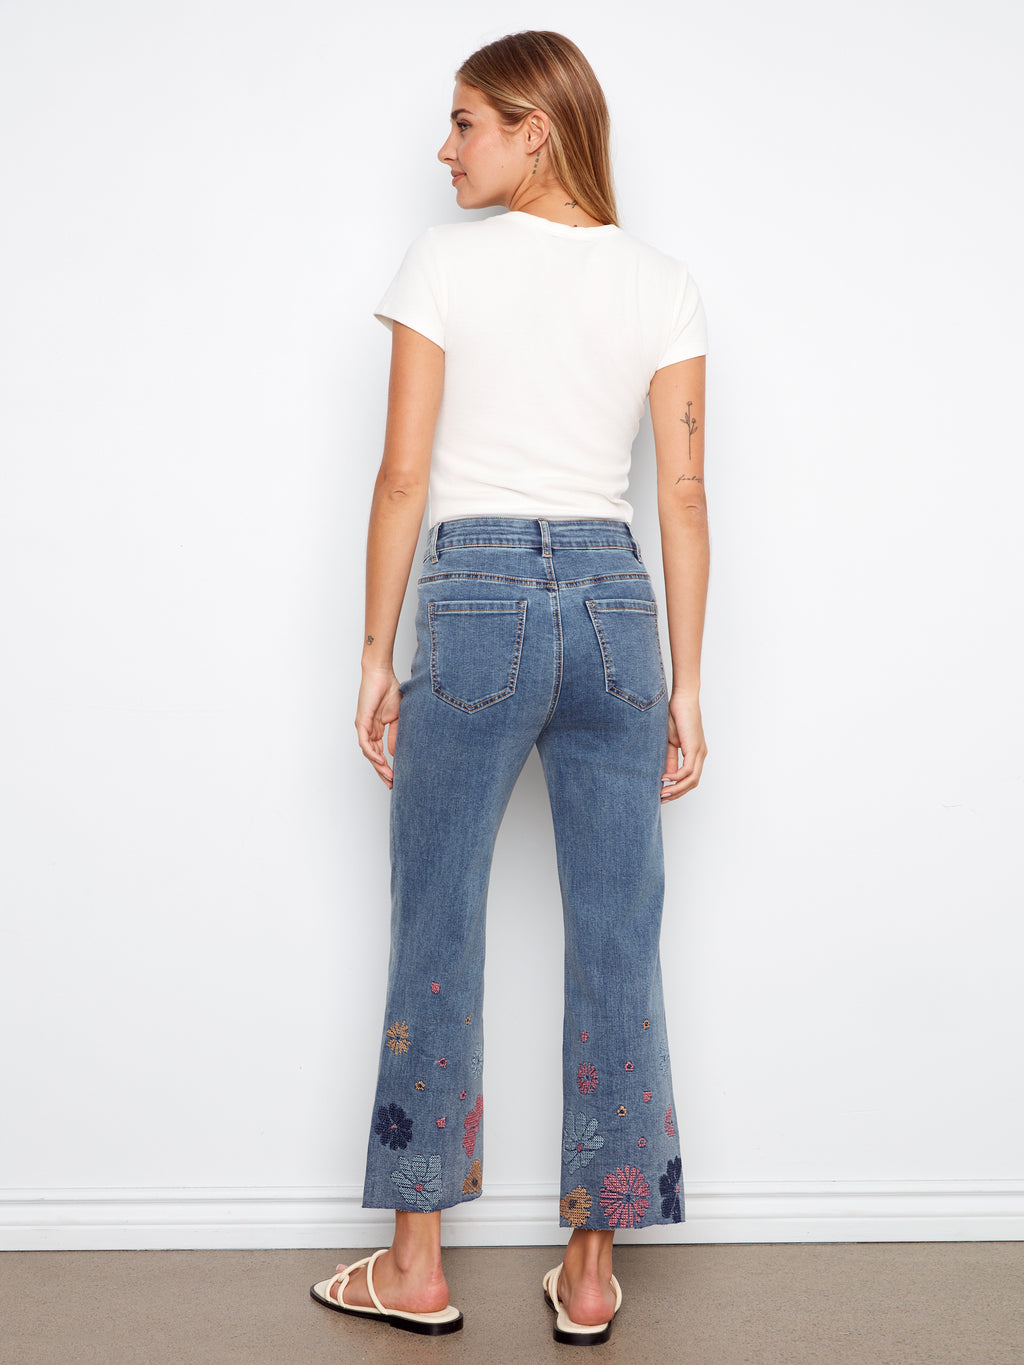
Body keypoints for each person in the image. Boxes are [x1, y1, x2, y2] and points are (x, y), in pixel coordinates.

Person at [310, 29, 709, 1345]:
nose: (446, 149)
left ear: (537, 128)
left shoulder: (443, 264)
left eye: (467, 122)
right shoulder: (662, 283)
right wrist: (686, 683)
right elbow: (684, 495)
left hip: (476, 598)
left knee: (437, 921)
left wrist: (377, 650)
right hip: (617, 609)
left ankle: (416, 1265)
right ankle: (589, 1274)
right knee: (618, 933)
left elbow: (402, 477)